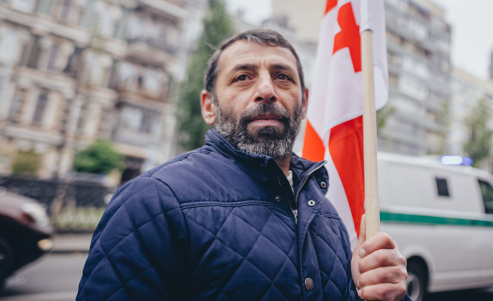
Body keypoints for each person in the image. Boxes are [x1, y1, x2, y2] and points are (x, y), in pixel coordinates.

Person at [76, 29, 409, 301]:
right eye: (243, 77)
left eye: (282, 77)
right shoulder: (153, 202)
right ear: (209, 106)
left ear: (304, 103)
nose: (266, 90)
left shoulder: (327, 216)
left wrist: (383, 294)